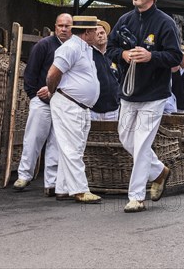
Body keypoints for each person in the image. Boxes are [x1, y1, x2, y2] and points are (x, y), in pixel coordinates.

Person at [106, 0, 183, 213]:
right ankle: (159, 171)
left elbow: (176, 57)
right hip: (129, 92)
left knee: (141, 144)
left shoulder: (165, 23)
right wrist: (124, 55)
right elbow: (110, 48)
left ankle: (136, 196)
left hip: (155, 94)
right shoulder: (125, 20)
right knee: (126, 139)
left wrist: (152, 56)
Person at [12, 13, 73, 197]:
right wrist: (34, 96)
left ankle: (52, 182)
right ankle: (24, 175)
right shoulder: (44, 45)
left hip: (63, 104)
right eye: (60, 25)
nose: (63, 29)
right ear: (55, 26)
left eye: (67, 26)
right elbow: (30, 73)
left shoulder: (74, 48)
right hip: (43, 102)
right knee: (33, 139)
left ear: (73, 28)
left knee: (56, 142)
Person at [45, 15, 102, 204]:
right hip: (68, 102)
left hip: (79, 105)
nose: (97, 33)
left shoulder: (86, 48)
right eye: (95, 30)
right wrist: (53, 92)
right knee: (71, 148)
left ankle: (63, 188)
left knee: (73, 147)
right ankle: (79, 189)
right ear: (87, 32)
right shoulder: (70, 47)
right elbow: (53, 73)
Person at [90, 20, 121, 121]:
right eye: (96, 34)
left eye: (102, 33)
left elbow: (121, 78)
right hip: (93, 109)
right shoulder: (88, 55)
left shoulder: (114, 55)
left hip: (113, 109)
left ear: (106, 35)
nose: (100, 36)